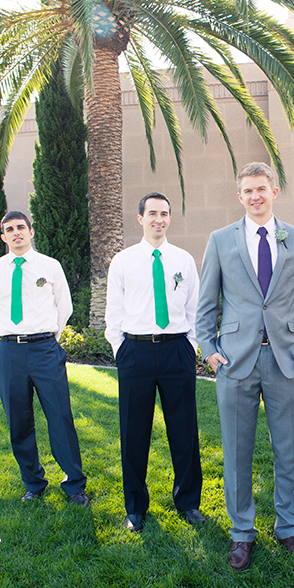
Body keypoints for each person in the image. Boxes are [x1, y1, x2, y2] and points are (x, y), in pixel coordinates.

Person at [197, 162, 294, 570]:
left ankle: (289, 528)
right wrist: (209, 349)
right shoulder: (220, 240)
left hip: (286, 359)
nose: (255, 196)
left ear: (274, 191)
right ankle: (242, 533)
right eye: (248, 190)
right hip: (235, 361)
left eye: (262, 189)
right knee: (237, 452)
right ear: (239, 196)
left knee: (288, 451)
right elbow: (206, 306)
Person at [104, 192, 204, 533]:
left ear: (170, 218)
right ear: (140, 218)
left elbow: (194, 307)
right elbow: (113, 313)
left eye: (164, 213)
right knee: (134, 432)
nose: (158, 219)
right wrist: (121, 351)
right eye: (152, 213)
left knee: (184, 430)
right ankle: (135, 507)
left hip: (177, 350)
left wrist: (189, 346)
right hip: (136, 352)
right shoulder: (123, 260)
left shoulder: (184, 260)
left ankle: (189, 502)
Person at [0, 211, 89, 506]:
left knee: (60, 417)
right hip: (9, 353)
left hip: (45, 350)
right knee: (19, 421)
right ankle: (33, 482)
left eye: (21, 228)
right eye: (9, 229)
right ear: (3, 236)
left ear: (31, 231)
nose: (16, 233)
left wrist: (47, 339)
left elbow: (63, 307)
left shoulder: (49, 266)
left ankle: (74, 484)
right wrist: (9, 339)